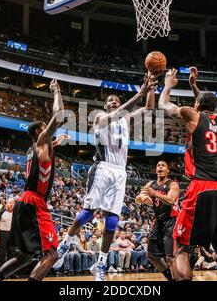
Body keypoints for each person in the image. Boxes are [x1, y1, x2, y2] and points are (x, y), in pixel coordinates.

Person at [53, 73, 157, 281]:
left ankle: (100, 264)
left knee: (112, 222)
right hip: (102, 168)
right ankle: (66, 243)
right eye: (110, 100)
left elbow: (148, 109)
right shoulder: (100, 117)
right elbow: (121, 111)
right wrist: (140, 92)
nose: (113, 102)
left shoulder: (126, 120)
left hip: (120, 172)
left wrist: (151, 88)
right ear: (105, 105)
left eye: (116, 100)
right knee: (88, 213)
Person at [158, 67, 217, 281]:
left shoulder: (193, 115)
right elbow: (204, 105)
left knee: (181, 247)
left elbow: (164, 105)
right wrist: (193, 86)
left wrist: (168, 86)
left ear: (197, 105)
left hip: (201, 188)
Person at [0, 79, 66, 281]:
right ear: (40, 133)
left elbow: (45, 155)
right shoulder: (42, 142)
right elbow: (59, 115)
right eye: (46, 129)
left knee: (24, 256)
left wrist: (55, 143)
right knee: (52, 254)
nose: (49, 132)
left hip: (24, 201)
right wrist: (56, 91)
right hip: (34, 203)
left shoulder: (31, 149)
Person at [135, 160, 179, 280]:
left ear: (168, 170)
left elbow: (171, 200)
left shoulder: (173, 184)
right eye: (158, 165)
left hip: (172, 221)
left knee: (170, 257)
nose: (160, 167)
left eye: (163, 165)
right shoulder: (150, 184)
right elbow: (137, 199)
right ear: (156, 170)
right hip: (158, 221)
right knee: (152, 256)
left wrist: (154, 193)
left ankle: (176, 278)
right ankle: (171, 278)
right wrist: (142, 197)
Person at [0, 198, 15, 267]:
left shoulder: (16, 212)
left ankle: (11, 272)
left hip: (12, 234)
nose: (11, 204)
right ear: (7, 203)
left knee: (12, 253)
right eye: (10, 202)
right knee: (1, 253)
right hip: (3, 233)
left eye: (12, 203)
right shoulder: (1, 212)